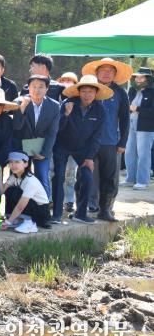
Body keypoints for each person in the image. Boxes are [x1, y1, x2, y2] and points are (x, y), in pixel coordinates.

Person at [51, 75, 110, 225]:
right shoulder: (68, 103)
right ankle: (56, 214)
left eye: (91, 91)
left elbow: (97, 137)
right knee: (59, 177)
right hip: (62, 145)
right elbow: (57, 128)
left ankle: (81, 214)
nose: (87, 94)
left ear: (96, 93)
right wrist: (66, 115)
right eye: (84, 91)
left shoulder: (100, 110)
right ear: (79, 92)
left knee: (87, 177)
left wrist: (89, 157)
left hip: (83, 149)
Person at [81, 57, 132, 222]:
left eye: (110, 71)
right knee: (87, 175)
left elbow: (125, 119)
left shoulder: (120, 93)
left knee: (110, 177)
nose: (106, 73)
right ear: (96, 73)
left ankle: (106, 209)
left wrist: (122, 142)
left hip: (110, 142)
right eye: (103, 70)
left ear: (115, 74)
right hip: (88, 142)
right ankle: (89, 206)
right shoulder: (89, 89)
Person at [12, 74, 60, 199]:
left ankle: (44, 206)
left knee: (42, 177)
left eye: (41, 87)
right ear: (28, 88)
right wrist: (22, 108)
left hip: (42, 147)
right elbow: (16, 126)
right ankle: (17, 206)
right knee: (19, 177)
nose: (37, 90)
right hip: (21, 146)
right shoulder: (19, 102)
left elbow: (52, 132)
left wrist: (44, 153)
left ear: (47, 89)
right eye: (33, 86)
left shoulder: (54, 106)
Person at [0, 151, 51, 233]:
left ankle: (30, 223)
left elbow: (21, 206)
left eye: (17, 162)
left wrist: (8, 222)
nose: (13, 165)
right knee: (10, 191)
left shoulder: (30, 181)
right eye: (11, 162)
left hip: (41, 213)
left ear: (26, 164)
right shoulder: (14, 177)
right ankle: (18, 219)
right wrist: (0, 173)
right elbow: (1, 192)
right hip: (30, 208)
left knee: (17, 193)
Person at [123, 67, 153, 190]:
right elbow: (127, 106)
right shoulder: (132, 90)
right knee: (129, 152)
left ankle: (142, 181)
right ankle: (130, 179)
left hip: (146, 127)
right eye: (136, 77)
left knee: (143, 154)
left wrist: (138, 109)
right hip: (131, 124)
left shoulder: (152, 91)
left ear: (148, 79)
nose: (138, 79)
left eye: (141, 77)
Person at [56, 72, 80, 212]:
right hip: (57, 142)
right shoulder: (55, 96)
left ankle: (69, 201)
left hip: (73, 143)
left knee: (70, 173)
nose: (66, 83)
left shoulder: (78, 101)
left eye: (70, 81)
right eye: (63, 80)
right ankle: (52, 200)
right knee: (54, 173)